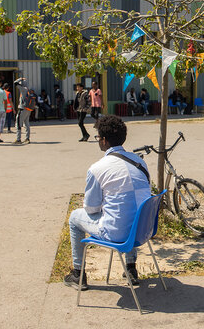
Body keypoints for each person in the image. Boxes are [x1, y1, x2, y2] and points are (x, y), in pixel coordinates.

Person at [63, 115, 151, 290]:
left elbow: (90, 207)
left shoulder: (97, 168)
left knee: (74, 218)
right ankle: (131, 268)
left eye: (97, 138)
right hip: (143, 229)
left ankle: (78, 274)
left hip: (117, 233)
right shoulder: (140, 162)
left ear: (103, 141)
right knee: (132, 210)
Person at [13, 77, 35, 144]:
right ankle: (27, 138)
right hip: (28, 109)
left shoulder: (23, 89)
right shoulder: (28, 90)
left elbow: (15, 83)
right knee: (27, 123)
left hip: (22, 108)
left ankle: (18, 139)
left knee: (18, 123)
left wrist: (20, 79)